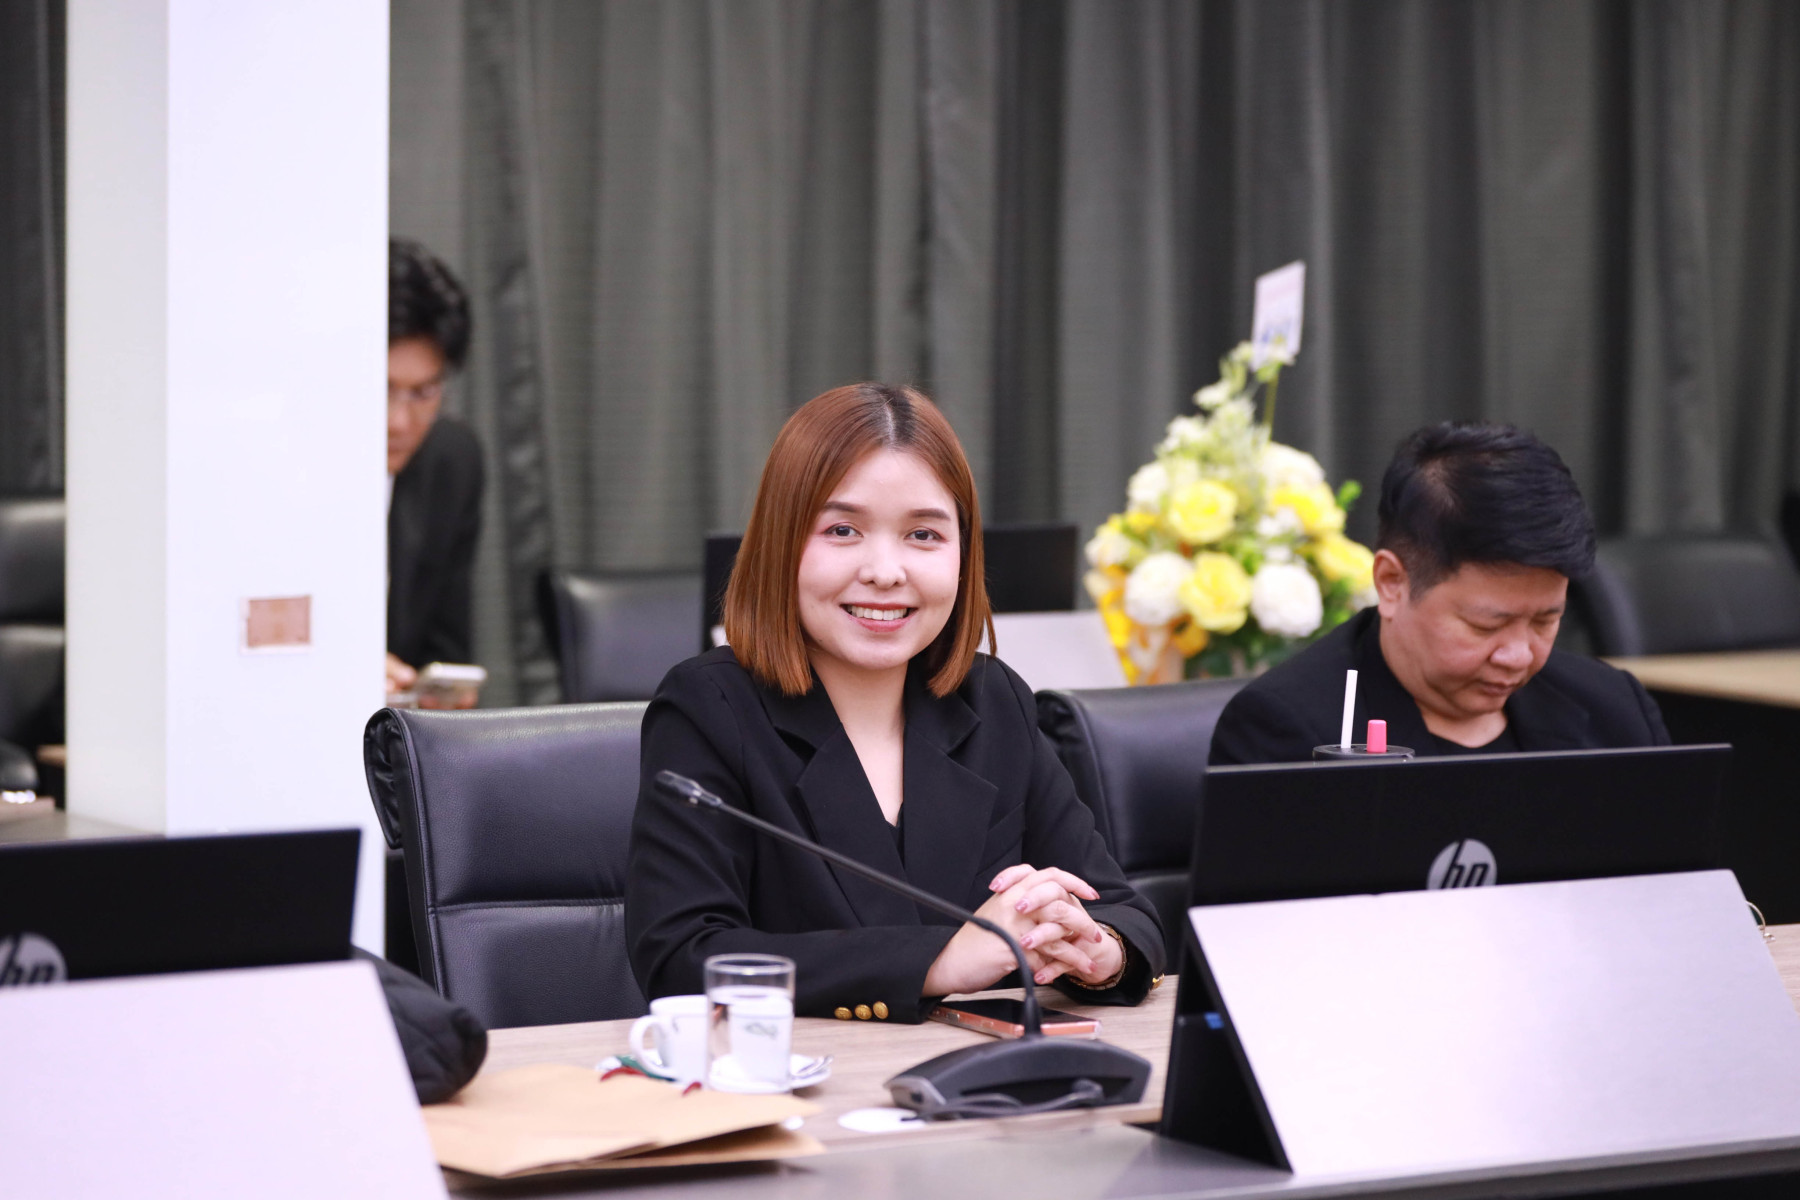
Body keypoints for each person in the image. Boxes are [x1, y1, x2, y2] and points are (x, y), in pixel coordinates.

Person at [626, 383, 1163, 1022]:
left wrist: (1098, 949)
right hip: (803, 1076)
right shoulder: (709, 707)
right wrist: (940, 962)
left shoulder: (994, 700)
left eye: (924, 535)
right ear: (780, 543)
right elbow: (682, 959)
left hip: (986, 1074)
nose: (886, 571)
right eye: (842, 529)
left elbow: (1123, 911)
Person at [1209, 421, 1669, 764]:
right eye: (1486, 625)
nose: (1518, 656)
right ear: (1392, 583)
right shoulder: (1286, 728)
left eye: (1545, 621)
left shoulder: (1613, 709)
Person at [385, 239, 485, 698]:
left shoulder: (452, 463)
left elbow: (445, 650)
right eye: (379, 389)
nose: (398, 422)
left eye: (424, 393)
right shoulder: (274, 468)